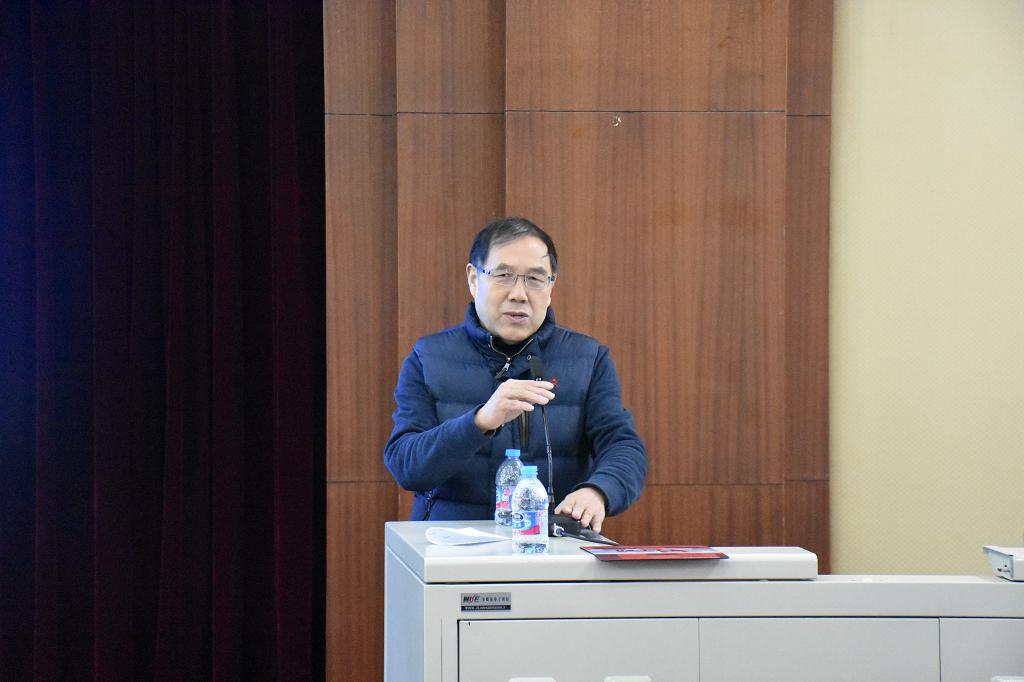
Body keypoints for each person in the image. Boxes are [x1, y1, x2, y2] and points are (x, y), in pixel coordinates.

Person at [384, 217, 646, 533]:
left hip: (554, 546)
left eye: (535, 279)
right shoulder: (428, 358)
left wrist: (599, 490)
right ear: (474, 279)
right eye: (504, 275)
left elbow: (623, 445)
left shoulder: (588, 358)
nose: (519, 294)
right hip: (451, 546)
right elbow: (407, 467)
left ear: (551, 287)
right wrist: (480, 421)